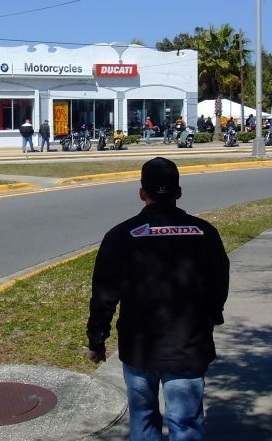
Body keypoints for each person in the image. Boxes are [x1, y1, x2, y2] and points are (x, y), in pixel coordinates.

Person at [87, 157, 230, 441]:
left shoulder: (120, 236)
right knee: (186, 423)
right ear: (178, 192)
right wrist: (213, 316)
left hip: (140, 347)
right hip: (188, 345)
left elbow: (104, 294)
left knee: (143, 419)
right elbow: (220, 282)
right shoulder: (205, 233)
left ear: (142, 192)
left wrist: (97, 339)